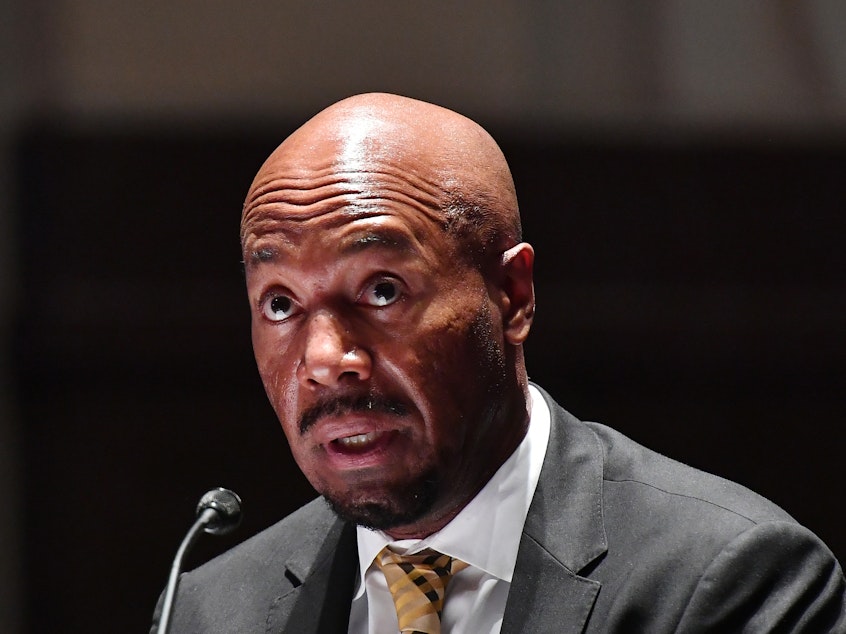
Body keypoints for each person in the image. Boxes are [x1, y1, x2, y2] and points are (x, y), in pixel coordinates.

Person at [151, 93, 845, 633]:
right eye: (279, 305)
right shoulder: (210, 613)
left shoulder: (722, 579)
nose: (327, 360)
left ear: (512, 297)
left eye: (382, 290)